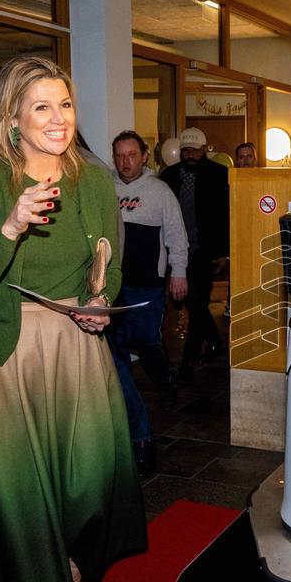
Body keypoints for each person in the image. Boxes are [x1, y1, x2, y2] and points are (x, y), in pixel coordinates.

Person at [0, 56, 147, 582]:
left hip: (74, 351)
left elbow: (107, 261)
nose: (58, 118)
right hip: (4, 356)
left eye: (65, 104)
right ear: (13, 117)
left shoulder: (92, 179)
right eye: (42, 106)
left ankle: (68, 562)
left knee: (84, 481)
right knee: (17, 492)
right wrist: (11, 226)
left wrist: (100, 301)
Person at [111, 130, 188, 473]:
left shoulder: (159, 191)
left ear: (144, 156)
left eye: (131, 154)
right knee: (116, 355)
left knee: (145, 340)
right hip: (113, 286)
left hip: (148, 285)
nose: (125, 161)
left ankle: (164, 376)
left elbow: (175, 234)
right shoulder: (106, 188)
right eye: (119, 155)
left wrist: (179, 272)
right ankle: (138, 431)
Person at [159, 127, 229, 381]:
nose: (189, 155)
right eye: (185, 150)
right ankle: (216, 343)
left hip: (205, 251)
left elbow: (227, 217)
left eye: (194, 150)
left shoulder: (220, 175)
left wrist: (225, 252)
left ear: (204, 149)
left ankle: (187, 363)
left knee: (197, 303)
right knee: (194, 304)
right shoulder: (168, 176)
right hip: (175, 250)